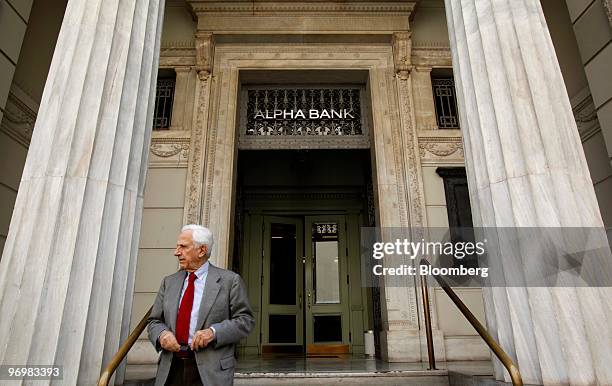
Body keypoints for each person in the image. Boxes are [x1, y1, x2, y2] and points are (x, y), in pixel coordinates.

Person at [148, 224, 254, 386]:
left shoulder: (230, 281)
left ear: (202, 250)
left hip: (210, 371)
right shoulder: (169, 282)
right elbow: (154, 321)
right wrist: (162, 334)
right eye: (177, 247)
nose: (176, 252)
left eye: (183, 247)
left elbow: (245, 321)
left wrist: (213, 332)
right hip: (171, 369)